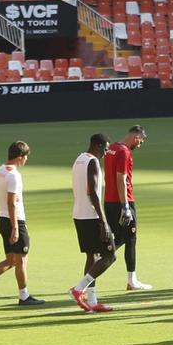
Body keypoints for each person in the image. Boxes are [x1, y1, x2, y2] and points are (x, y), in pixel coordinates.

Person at [0, 140, 45, 307]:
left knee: (11, 260)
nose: (26, 160)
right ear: (20, 157)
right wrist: (16, 227)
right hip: (14, 220)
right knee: (21, 260)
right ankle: (24, 296)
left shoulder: (0, 171)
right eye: (26, 157)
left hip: (1, 219)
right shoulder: (14, 175)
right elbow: (12, 202)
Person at [69, 133, 117, 312]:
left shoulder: (79, 159)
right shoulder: (93, 162)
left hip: (78, 214)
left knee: (92, 256)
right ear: (98, 146)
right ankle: (78, 289)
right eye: (105, 149)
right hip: (91, 216)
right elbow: (93, 192)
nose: (105, 153)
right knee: (110, 255)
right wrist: (104, 221)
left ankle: (92, 300)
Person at [104, 125, 152, 291]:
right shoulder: (124, 152)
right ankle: (132, 280)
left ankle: (100, 255)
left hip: (109, 201)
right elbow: (121, 180)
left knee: (120, 236)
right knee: (130, 238)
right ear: (136, 137)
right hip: (122, 201)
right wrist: (125, 206)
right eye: (140, 141)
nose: (139, 145)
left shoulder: (112, 148)